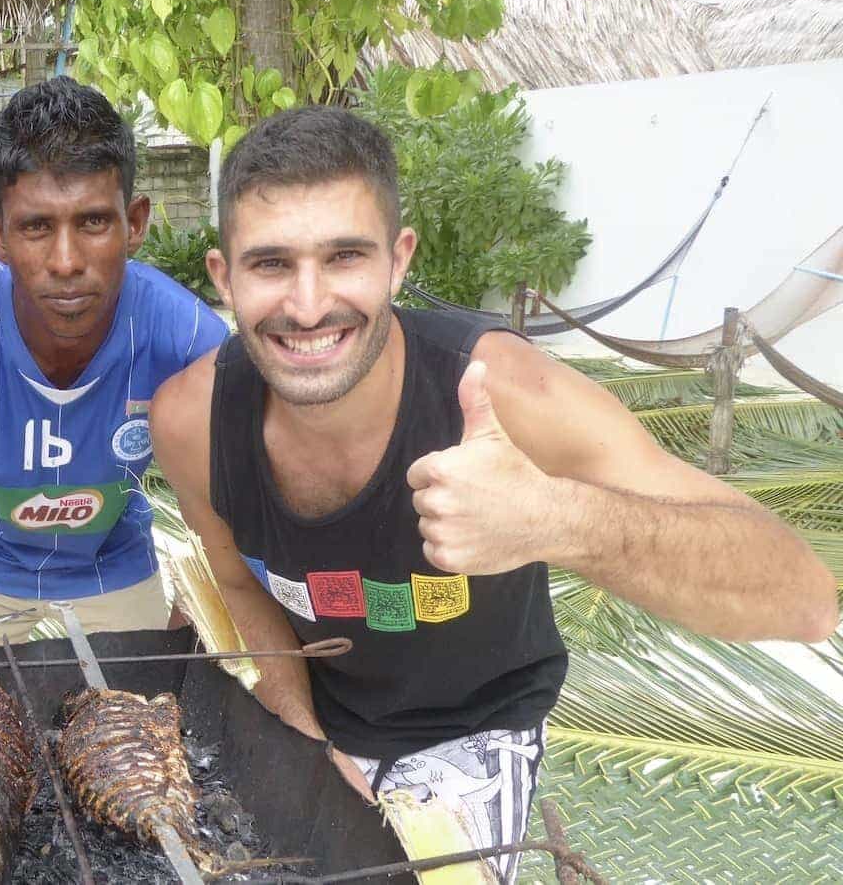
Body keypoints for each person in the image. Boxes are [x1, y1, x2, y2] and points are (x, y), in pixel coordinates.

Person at [149, 106, 837, 881]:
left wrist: (557, 519)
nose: (309, 306)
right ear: (223, 276)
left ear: (399, 261)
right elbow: (239, 586)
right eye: (271, 264)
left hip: (472, 728)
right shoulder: (191, 421)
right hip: (314, 710)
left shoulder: (505, 389)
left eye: (345, 256)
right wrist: (309, 744)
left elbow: (803, 598)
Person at [0, 77, 229, 649]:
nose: (66, 261)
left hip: (115, 566)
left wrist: (192, 617)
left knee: (137, 732)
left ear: (134, 223)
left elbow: (232, 518)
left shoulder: (186, 338)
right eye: (36, 227)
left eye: (93, 222)